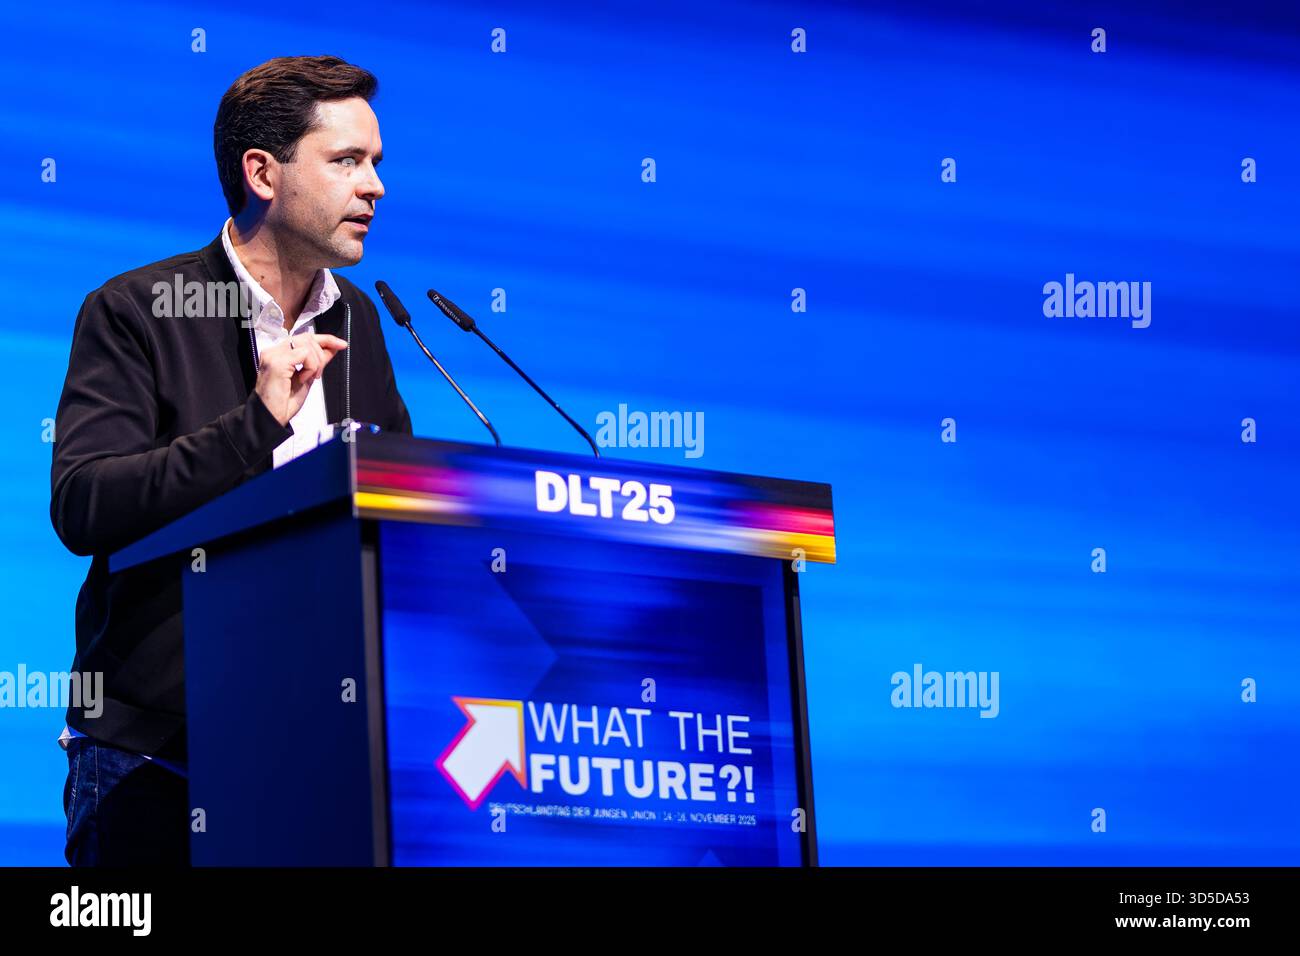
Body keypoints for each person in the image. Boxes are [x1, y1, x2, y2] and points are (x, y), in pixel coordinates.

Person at [50, 55, 412, 865]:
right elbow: (84, 503)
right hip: (157, 762)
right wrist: (253, 427)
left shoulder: (361, 321)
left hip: (319, 755)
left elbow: (388, 517)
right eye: (347, 161)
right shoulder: (138, 310)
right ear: (263, 174)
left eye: (375, 162)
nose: (375, 187)